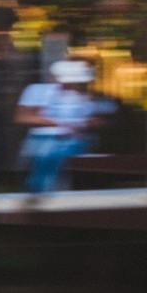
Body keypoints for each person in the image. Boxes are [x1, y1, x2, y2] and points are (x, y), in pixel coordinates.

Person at [16, 59, 114, 194]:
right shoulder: (38, 91)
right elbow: (22, 117)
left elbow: (103, 120)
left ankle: (41, 191)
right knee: (48, 150)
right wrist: (60, 124)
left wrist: (86, 123)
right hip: (43, 138)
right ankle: (40, 191)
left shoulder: (85, 96)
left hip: (75, 140)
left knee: (57, 151)